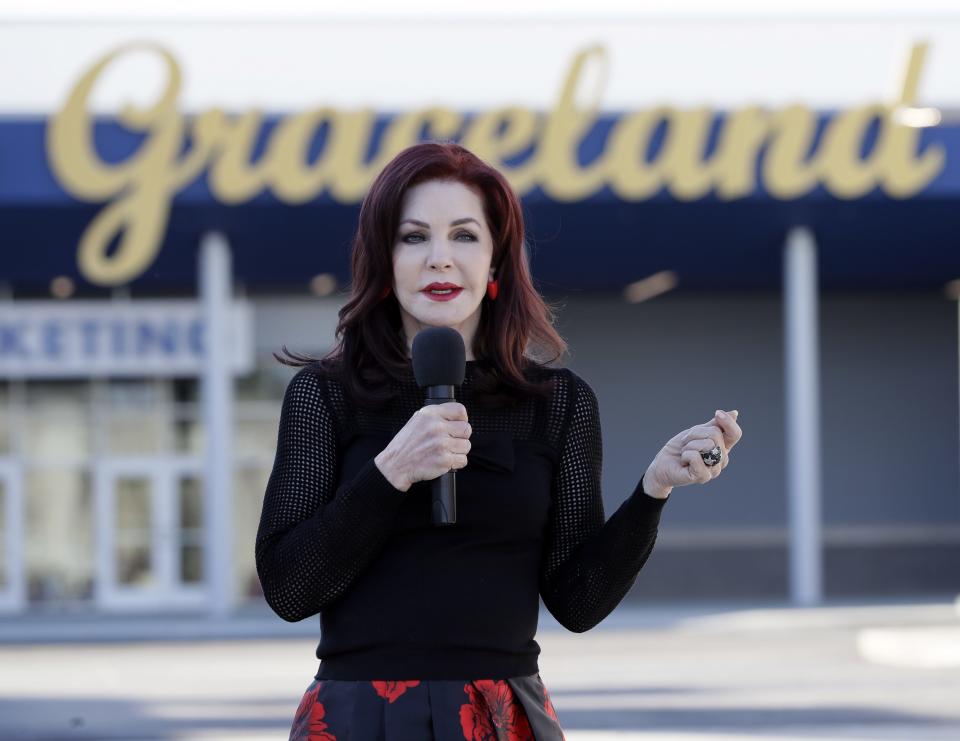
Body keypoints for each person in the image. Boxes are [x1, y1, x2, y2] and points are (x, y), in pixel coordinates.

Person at [255, 141, 743, 740]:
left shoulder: (557, 403)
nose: (440, 259)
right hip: (359, 715)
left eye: (464, 236)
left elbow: (578, 601)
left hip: (499, 715)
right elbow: (287, 587)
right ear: (384, 260)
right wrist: (390, 474)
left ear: (495, 262)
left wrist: (654, 490)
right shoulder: (325, 395)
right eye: (414, 237)